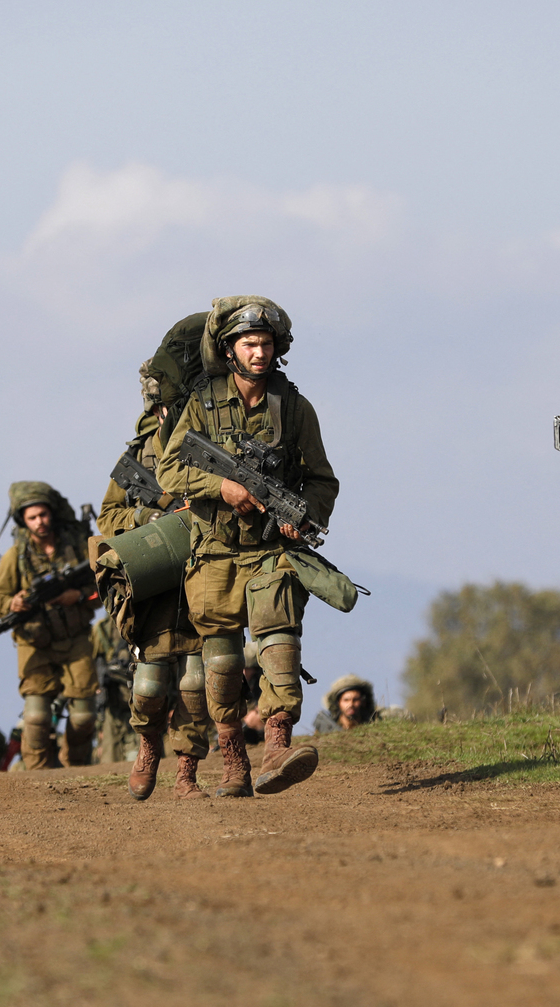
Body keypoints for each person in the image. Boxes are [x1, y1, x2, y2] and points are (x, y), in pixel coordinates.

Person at [156, 297, 339, 797]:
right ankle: (233, 758)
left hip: (267, 550)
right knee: (220, 660)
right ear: (230, 349)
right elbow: (170, 470)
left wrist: (304, 517)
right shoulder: (202, 401)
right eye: (249, 343)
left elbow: (323, 480)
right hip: (213, 548)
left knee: (280, 631)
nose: (259, 352)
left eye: (266, 343)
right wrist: (224, 489)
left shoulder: (294, 406)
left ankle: (278, 742)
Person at [97, 332, 213, 799]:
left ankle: (186, 772)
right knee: (149, 683)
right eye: (162, 402)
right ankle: (148, 748)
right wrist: (151, 517)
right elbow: (108, 517)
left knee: (197, 681)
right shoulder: (138, 455)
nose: (168, 410)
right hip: (154, 582)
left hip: (203, 575)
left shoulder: (209, 445)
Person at [0, 482, 100, 769]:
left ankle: (78, 769)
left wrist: (77, 596)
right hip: (35, 644)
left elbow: (102, 588)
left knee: (83, 717)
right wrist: (13, 603)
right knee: (36, 718)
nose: (40, 522)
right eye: (32, 517)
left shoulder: (76, 548)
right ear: (23, 521)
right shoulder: (15, 557)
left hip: (75, 639)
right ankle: (38, 776)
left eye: (43, 514)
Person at [90, 614, 139, 764]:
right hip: (112, 700)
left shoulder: (140, 622)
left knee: (139, 756)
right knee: (109, 757)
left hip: (137, 698)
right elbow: (97, 662)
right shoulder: (101, 629)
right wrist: (100, 687)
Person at [312, 674, 377, 733]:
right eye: (346, 700)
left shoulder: (374, 722)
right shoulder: (327, 726)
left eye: (356, 700)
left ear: (363, 702)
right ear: (338, 702)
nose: (351, 704)